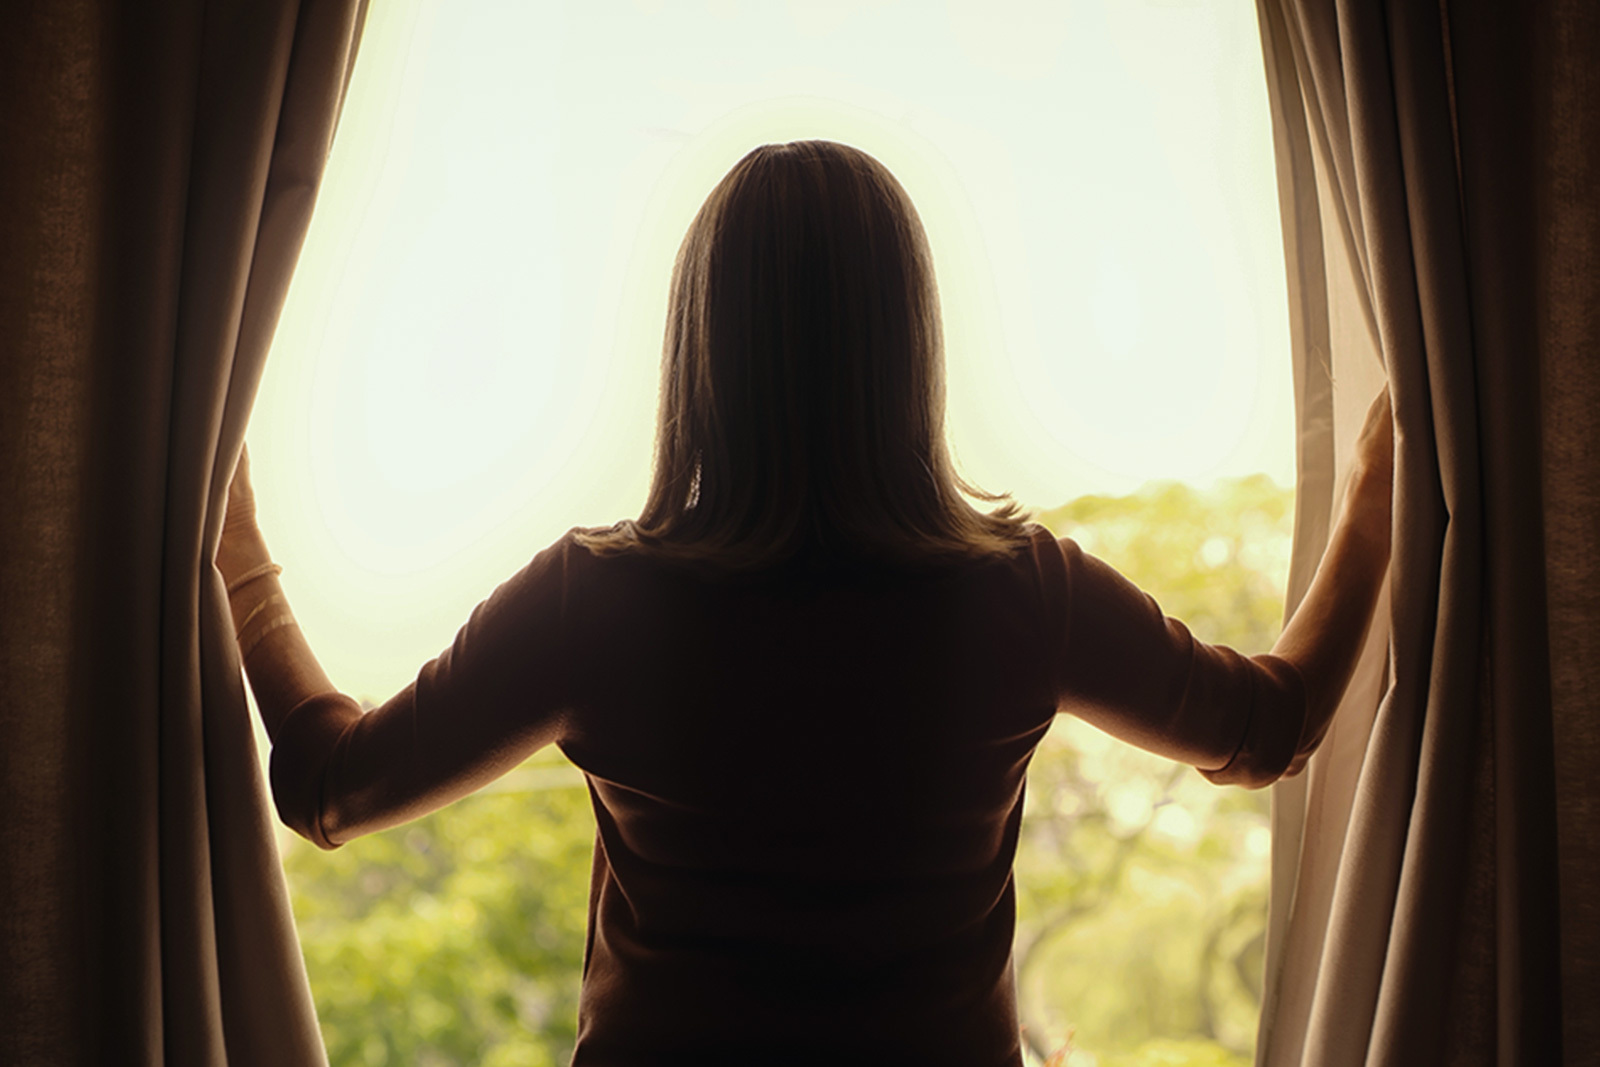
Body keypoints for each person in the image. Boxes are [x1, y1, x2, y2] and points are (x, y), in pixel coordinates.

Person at [217, 140, 1393, 1066]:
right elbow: (1270, 724)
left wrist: (238, 555)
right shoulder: (1023, 595)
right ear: (909, 346)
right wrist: (1377, 496)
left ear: (700, 349)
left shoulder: (597, 605)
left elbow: (331, 786)